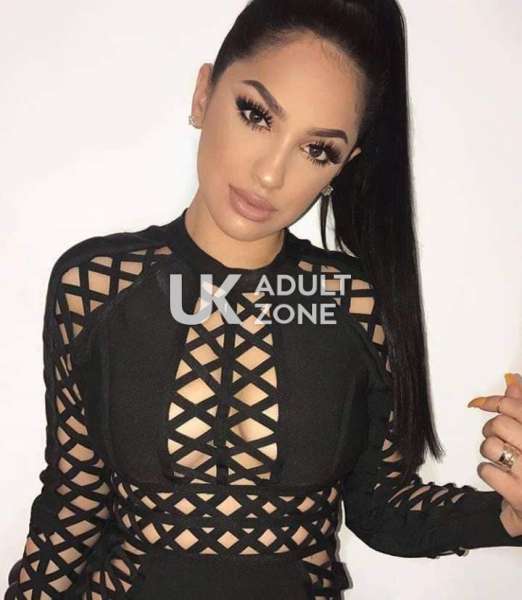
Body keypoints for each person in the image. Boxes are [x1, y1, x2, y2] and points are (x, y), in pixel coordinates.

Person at [4, 1, 522, 598]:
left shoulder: (355, 305)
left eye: (317, 150)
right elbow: (75, 501)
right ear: (204, 94)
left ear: (342, 167)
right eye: (257, 115)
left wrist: (508, 516)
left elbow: (382, 507)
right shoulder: (95, 285)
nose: (271, 173)